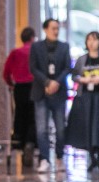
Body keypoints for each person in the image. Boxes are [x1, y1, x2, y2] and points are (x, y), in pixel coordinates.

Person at [65, 32, 99, 172]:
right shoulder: (82, 60)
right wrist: (82, 80)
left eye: (94, 40)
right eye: (89, 40)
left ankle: (97, 155)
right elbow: (74, 75)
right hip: (84, 97)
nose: (91, 43)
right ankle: (92, 157)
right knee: (86, 126)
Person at [29, 19, 72, 173]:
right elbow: (33, 68)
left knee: (60, 128)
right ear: (45, 29)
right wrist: (47, 82)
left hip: (59, 93)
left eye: (57, 28)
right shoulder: (36, 47)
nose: (56, 31)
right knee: (41, 129)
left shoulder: (64, 47)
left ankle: (59, 157)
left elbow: (67, 67)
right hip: (41, 92)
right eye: (53, 28)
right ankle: (44, 159)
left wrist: (56, 83)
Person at [3, 27, 36, 166]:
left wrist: (11, 84)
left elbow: (6, 72)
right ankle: (30, 142)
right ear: (32, 38)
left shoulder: (15, 53)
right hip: (34, 87)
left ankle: (19, 142)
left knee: (19, 115)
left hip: (19, 88)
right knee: (32, 116)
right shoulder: (35, 52)